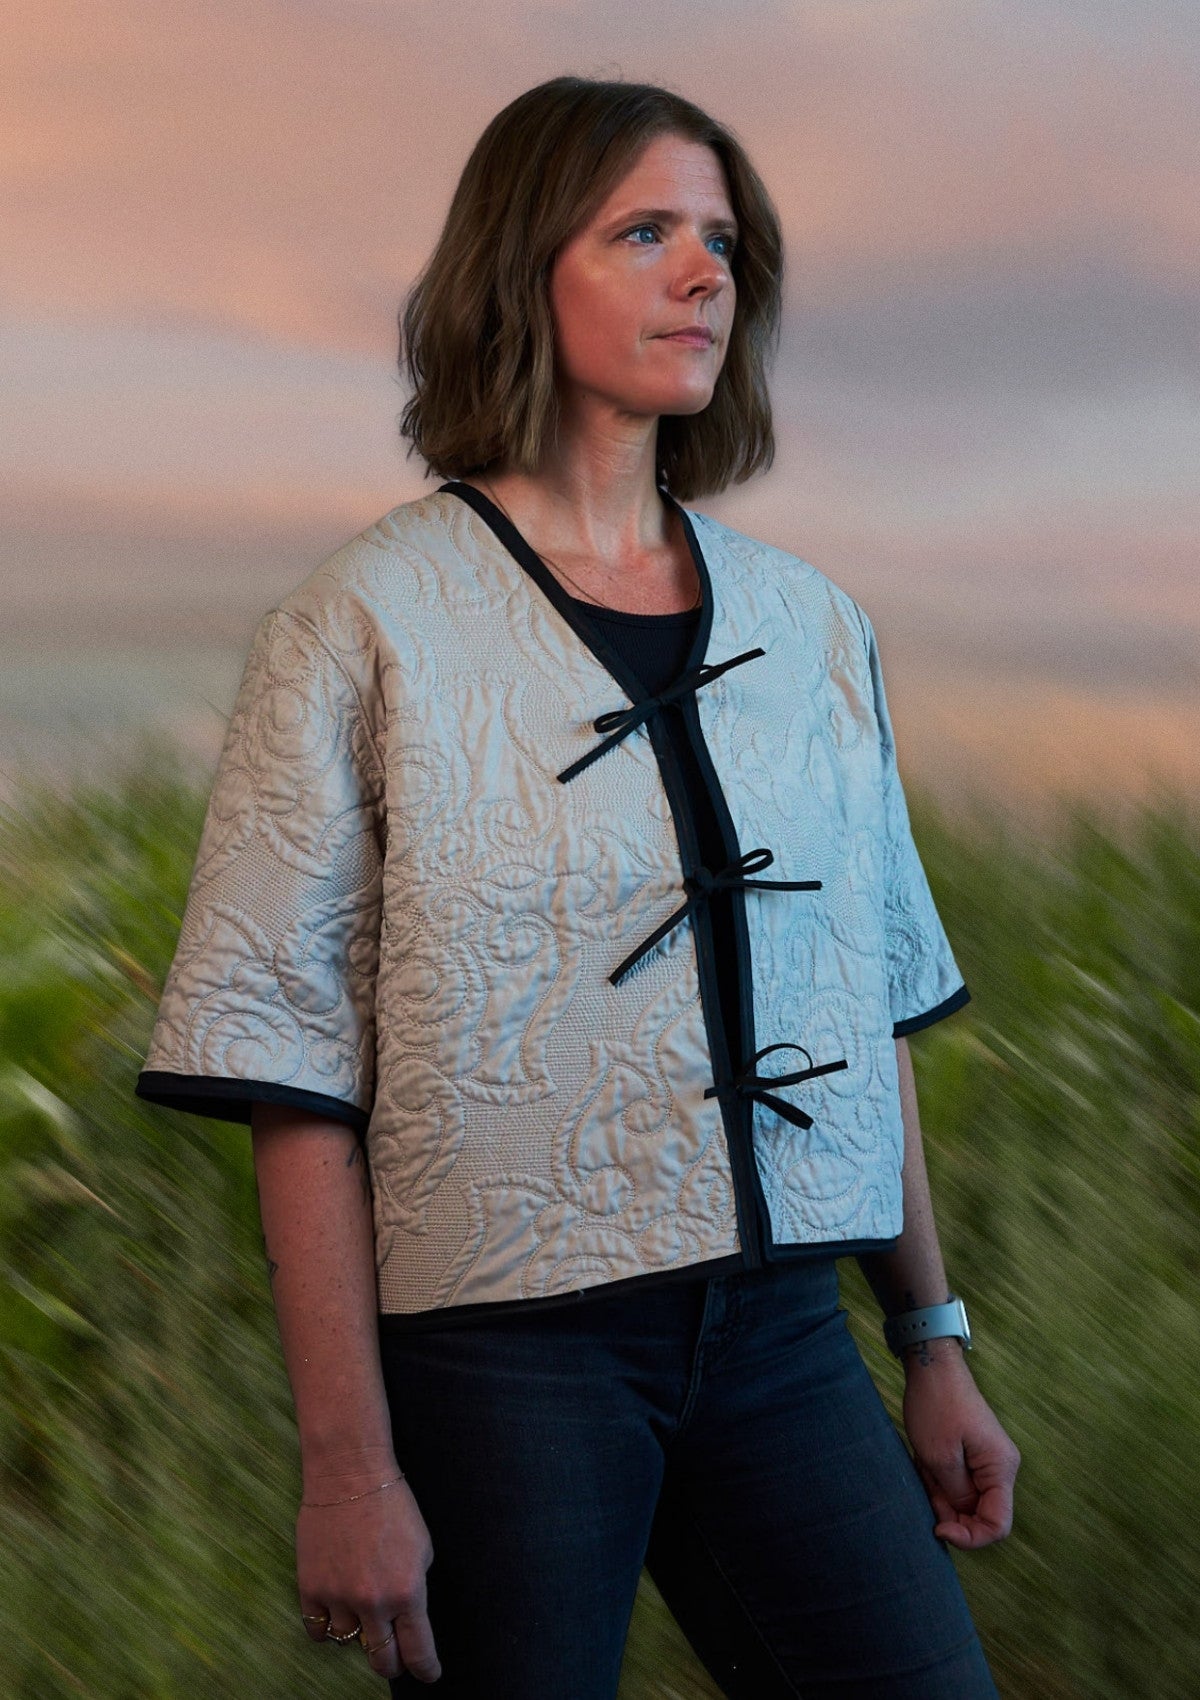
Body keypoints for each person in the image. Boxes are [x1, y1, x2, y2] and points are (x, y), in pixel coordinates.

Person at [135, 75, 1020, 1698]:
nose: (705, 275)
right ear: (521, 267)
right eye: (645, 232)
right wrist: (348, 1466)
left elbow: (864, 1000)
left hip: (781, 1347)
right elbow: (294, 1081)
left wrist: (931, 1336)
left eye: (723, 242)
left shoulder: (812, 626)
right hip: (501, 1372)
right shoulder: (363, 626)